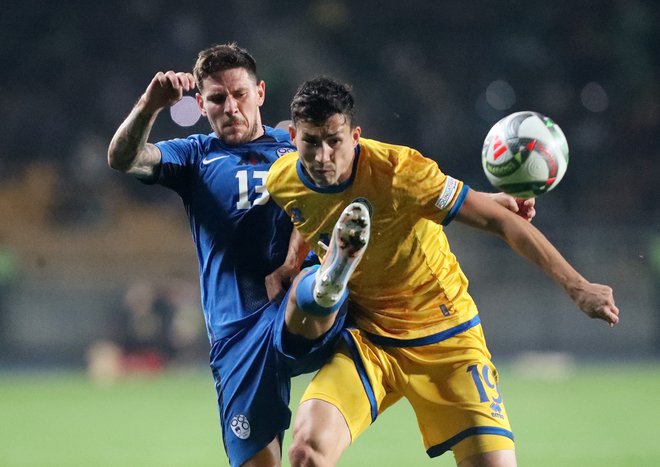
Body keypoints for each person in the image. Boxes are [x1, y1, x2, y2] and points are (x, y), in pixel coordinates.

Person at [266, 76, 620, 467]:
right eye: (311, 142)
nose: (322, 157)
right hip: (368, 340)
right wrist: (290, 263)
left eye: (334, 141)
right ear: (294, 137)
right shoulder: (282, 179)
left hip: (446, 337)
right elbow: (308, 212)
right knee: (305, 452)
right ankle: (328, 280)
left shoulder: (401, 172)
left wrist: (578, 286)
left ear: (356, 136)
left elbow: (504, 224)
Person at [106, 43, 351, 467]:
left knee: (308, 295)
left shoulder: (296, 144)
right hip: (237, 335)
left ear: (259, 92)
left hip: (294, 303)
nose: (231, 107)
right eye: (218, 99)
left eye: (239, 94)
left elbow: (351, 170)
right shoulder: (194, 156)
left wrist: (293, 262)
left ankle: (329, 285)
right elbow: (122, 158)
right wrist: (150, 105)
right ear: (202, 105)